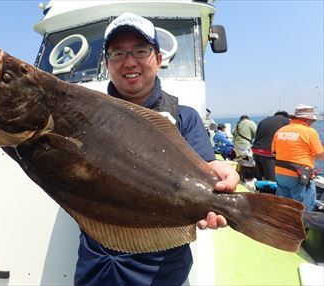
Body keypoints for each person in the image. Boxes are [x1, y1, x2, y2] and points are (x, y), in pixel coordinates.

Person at [74, 12, 239, 286]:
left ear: (158, 59)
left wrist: (219, 182)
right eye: (117, 53)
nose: (129, 62)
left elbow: (206, 168)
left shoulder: (184, 117)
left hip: (161, 268)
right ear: (106, 63)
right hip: (97, 263)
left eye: (140, 51)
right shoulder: (85, 118)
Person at [272, 104, 324, 211]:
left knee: (284, 204)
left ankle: (285, 225)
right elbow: (320, 155)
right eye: (312, 121)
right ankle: (303, 226)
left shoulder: (281, 131)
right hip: (298, 176)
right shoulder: (309, 132)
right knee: (305, 206)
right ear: (307, 119)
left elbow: (274, 153)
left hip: (280, 173)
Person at [251, 111, 290, 181]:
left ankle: (260, 190)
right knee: (271, 179)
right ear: (286, 117)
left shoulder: (264, 120)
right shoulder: (287, 121)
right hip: (268, 153)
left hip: (256, 150)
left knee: (261, 176)